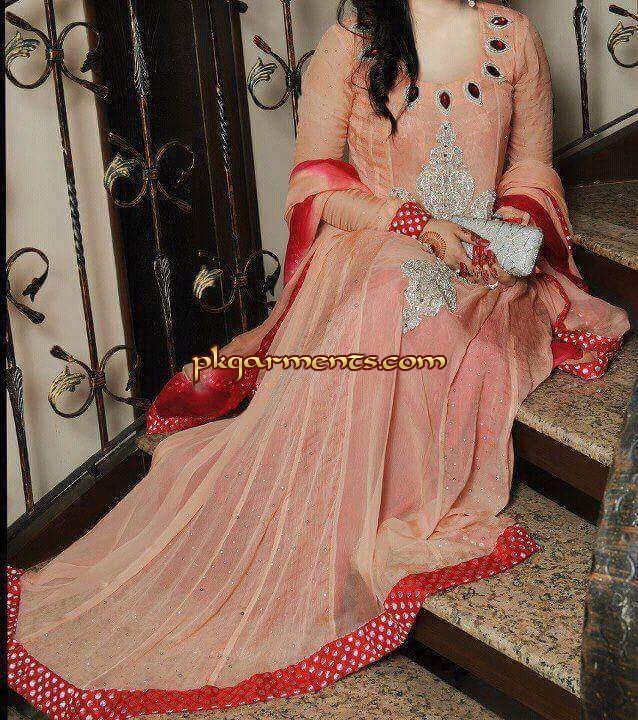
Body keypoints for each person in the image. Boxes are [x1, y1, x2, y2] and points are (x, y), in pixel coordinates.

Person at [8, 2, 628, 719]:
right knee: (389, 302)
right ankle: (312, 536)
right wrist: (416, 225)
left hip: (485, 264)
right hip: (380, 244)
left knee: (449, 331)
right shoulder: (351, 45)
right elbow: (314, 184)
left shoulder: (512, 37)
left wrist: (510, 228)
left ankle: (374, 499)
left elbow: (531, 165)